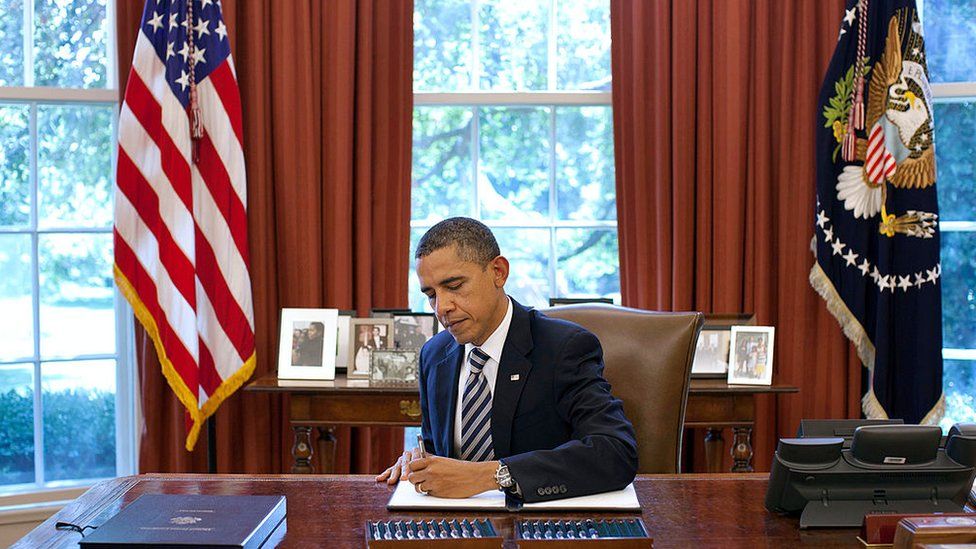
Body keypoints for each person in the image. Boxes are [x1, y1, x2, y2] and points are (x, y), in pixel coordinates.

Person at [375, 217, 637, 502]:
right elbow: (442, 456)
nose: (442, 308)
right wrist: (419, 462)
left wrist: (489, 476)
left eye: (454, 285)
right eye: (431, 295)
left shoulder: (564, 348)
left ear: (498, 272)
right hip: (454, 526)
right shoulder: (434, 354)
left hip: (543, 526)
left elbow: (615, 453)